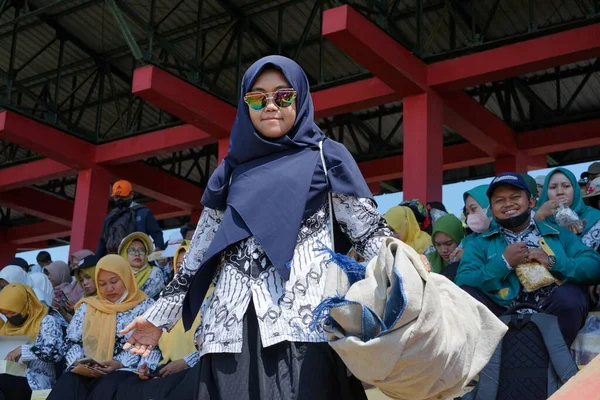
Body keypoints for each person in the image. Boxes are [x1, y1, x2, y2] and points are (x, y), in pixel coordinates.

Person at [120, 55, 391, 400]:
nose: (271, 106)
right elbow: (197, 257)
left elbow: (369, 234)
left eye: (283, 96)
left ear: (300, 99)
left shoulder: (326, 156)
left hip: (302, 331)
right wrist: (158, 319)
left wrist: (410, 270)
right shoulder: (230, 172)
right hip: (228, 338)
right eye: (257, 98)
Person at [456, 172, 600, 346]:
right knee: (468, 295)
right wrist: (503, 263)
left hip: (551, 314)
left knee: (571, 296)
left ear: (531, 202)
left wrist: (553, 262)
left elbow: (594, 265)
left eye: (515, 197)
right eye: (499, 200)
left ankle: (551, 357)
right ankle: (498, 356)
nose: (508, 204)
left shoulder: (556, 233)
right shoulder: (479, 244)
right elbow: (462, 283)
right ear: (491, 210)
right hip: (502, 318)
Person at [47, 255, 161, 400]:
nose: (109, 288)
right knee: (68, 382)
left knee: (108, 386)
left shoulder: (145, 306)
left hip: (125, 371)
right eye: (102, 284)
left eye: (114, 281)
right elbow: (72, 341)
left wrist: (120, 363)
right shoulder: (88, 306)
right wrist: (79, 361)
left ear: (126, 278)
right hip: (90, 371)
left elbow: (151, 344)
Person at [0, 284, 64, 399]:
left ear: (27, 305)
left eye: (13, 313)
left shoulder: (47, 321)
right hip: (10, 377)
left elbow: (55, 353)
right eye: (5, 314)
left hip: (37, 381)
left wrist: (23, 349)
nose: (10, 317)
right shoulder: (7, 327)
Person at [96, 180, 165, 258]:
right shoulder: (110, 217)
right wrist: (97, 260)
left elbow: (156, 234)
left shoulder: (143, 212)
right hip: (113, 259)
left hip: (137, 257)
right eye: (117, 197)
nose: (119, 200)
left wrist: (159, 249)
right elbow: (103, 240)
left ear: (131, 195)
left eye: (123, 197)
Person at [536, 167, 600, 251]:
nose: (560, 192)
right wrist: (539, 218)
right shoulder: (534, 217)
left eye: (566, 186)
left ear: (575, 190)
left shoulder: (595, 217)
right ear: (545, 192)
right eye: (553, 187)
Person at [118, 232, 165, 298]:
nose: (137, 254)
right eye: (132, 250)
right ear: (124, 254)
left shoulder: (155, 273)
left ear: (146, 253)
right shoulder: (117, 277)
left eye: (141, 250)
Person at [427, 214, 465, 281]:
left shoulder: (471, 255)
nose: (443, 250)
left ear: (459, 238)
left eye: (448, 244)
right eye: (438, 245)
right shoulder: (429, 259)